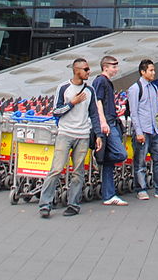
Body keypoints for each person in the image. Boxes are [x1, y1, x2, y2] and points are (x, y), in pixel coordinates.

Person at [38, 57, 100, 218]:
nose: (88, 72)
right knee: (56, 169)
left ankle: (73, 204)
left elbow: (94, 113)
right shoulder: (63, 88)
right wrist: (72, 103)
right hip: (65, 133)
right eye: (85, 69)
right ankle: (45, 203)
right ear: (76, 70)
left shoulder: (90, 90)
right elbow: (55, 111)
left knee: (78, 172)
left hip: (83, 134)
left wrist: (98, 134)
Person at [90, 55, 128, 205]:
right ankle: (99, 158)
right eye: (113, 66)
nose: (116, 69)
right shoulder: (100, 81)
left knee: (109, 164)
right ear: (105, 67)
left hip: (111, 121)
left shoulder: (106, 82)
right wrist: (103, 122)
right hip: (108, 123)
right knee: (120, 153)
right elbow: (97, 101)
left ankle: (109, 195)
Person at [127, 58, 158, 200]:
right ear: (143, 72)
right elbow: (134, 112)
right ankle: (141, 189)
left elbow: (157, 108)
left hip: (155, 129)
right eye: (150, 70)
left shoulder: (154, 88)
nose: (153, 72)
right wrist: (138, 132)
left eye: (153, 70)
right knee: (140, 162)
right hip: (143, 130)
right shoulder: (135, 89)